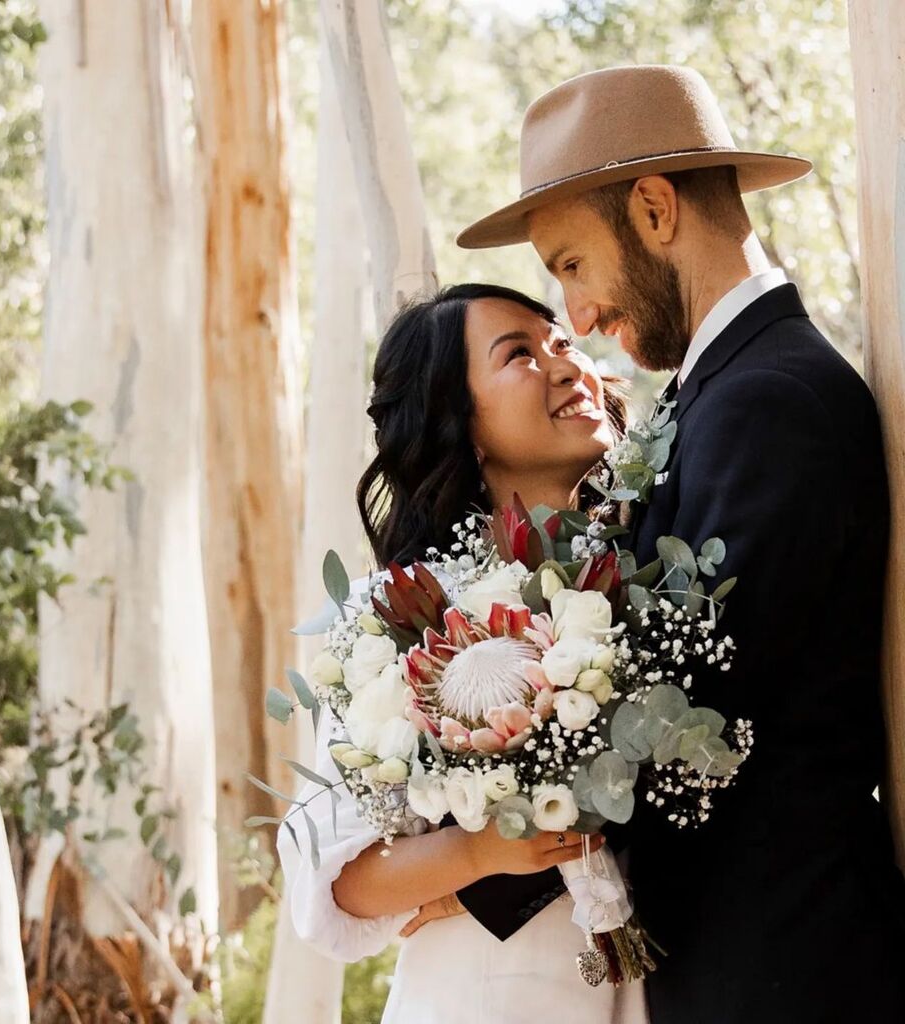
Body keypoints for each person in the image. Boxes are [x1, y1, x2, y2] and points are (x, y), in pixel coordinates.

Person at [455, 64, 905, 1023]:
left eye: (572, 265)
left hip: (789, 970)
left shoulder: (767, 401)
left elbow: (682, 714)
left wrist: (466, 868)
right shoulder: (717, 396)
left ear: (656, 210)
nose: (578, 317)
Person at [277, 283, 647, 1024]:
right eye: (519, 355)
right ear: (463, 425)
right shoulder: (401, 613)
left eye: (561, 342)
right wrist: (480, 856)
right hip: (488, 995)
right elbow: (340, 880)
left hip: (649, 990)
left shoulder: (657, 571)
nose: (567, 364)